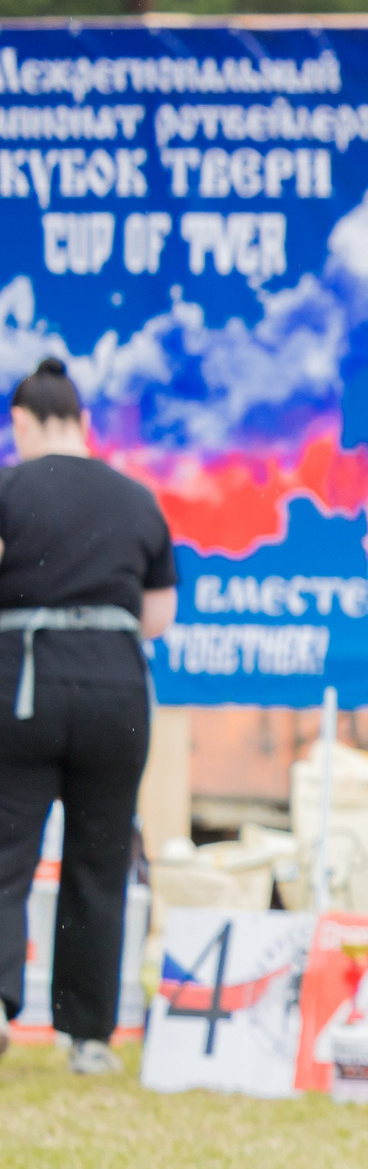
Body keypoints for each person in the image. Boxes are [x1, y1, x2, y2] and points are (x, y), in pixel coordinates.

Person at [0, 360, 173, 1075]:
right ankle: (89, 1036)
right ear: (81, 420)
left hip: (24, 687)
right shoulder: (137, 499)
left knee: (6, 854)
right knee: (101, 859)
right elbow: (157, 619)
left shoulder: (9, 486)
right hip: (115, 693)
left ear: (30, 421)